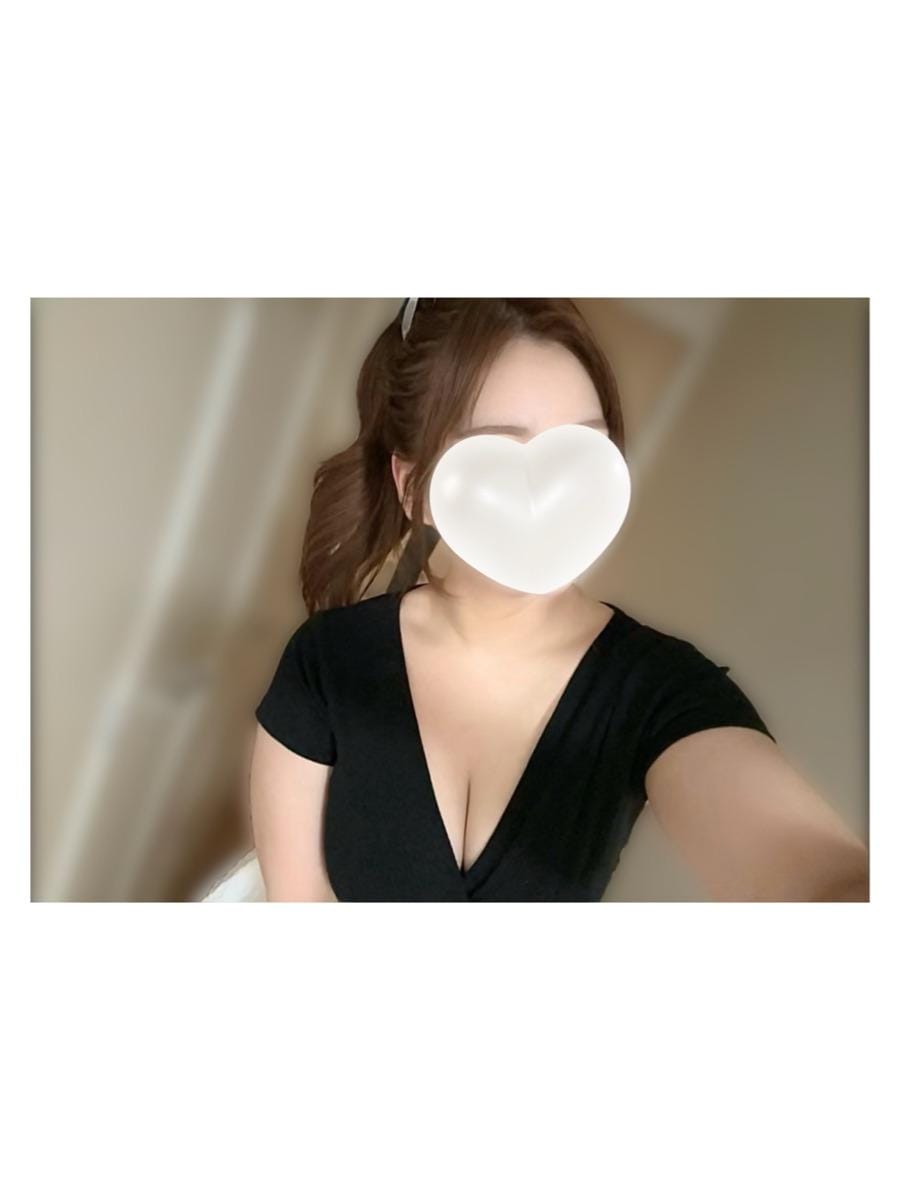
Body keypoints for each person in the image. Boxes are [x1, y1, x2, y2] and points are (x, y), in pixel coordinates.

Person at [244, 299, 869, 903]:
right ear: (414, 490)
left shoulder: (662, 690)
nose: (547, 491)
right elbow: (299, 901)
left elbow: (812, 875)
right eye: (499, 447)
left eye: (580, 449)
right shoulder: (327, 661)